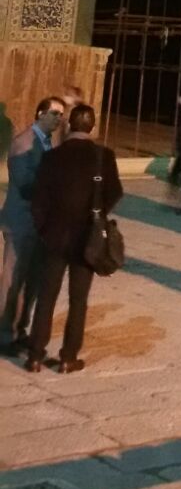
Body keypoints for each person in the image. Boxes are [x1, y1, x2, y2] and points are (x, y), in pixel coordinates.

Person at [25, 103, 121, 373]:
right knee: (78, 300)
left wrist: (44, 228)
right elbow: (115, 192)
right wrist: (98, 213)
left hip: (55, 237)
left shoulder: (53, 157)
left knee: (46, 296)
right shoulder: (104, 156)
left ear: (70, 125)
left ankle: (35, 355)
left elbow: (39, 199)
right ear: (92, 126)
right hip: (87, 238)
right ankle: (68, 357)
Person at [0, 96, 66, 355]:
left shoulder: (49, 142)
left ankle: (20, 329)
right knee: (13, 280)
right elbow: (25, 184)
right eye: (54, 113)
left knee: (32, 281)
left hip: (39, 224)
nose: (58, 119)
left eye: (61, 115)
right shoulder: (23, 143)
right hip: (21, 222)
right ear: (40, 114)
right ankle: (4, 335)